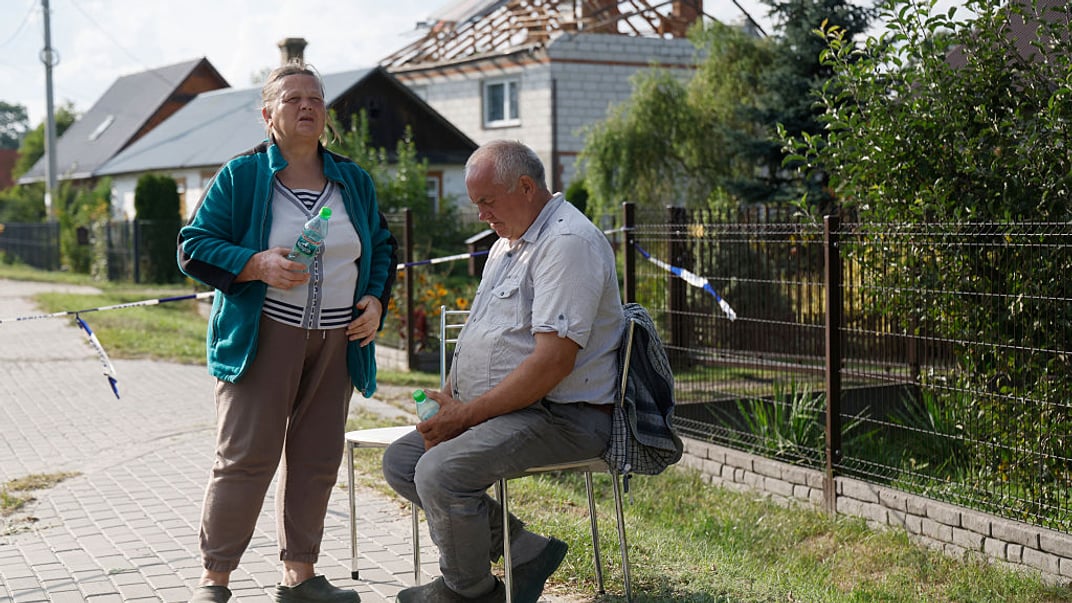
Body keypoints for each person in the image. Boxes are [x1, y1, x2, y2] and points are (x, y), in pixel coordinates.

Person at [177, 61, 397, 603]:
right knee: (247, 458)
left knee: (318, 458)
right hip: (263, 337)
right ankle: (215, 580)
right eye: (294, 98)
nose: (307, 107)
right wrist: (254, 264)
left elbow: (382, 248)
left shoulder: (353, 179)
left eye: (316, 99)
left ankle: (299, 578)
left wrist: (373, 299)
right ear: (267, 113)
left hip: (337, 343)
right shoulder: (243, 175)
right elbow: (193, 244)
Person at [382, 139, 625, 603]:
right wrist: (448, 403)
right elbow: (480, 333)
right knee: (403, 462)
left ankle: (470, 593)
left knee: (438, 473)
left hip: (564, 416)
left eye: (487, 201)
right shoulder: (509, 242)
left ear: (527, 187)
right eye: (476, 204)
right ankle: (524, 550)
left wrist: (467, 416)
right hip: (510, 411)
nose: (481, 215)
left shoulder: (567, 244)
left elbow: (553, 361)